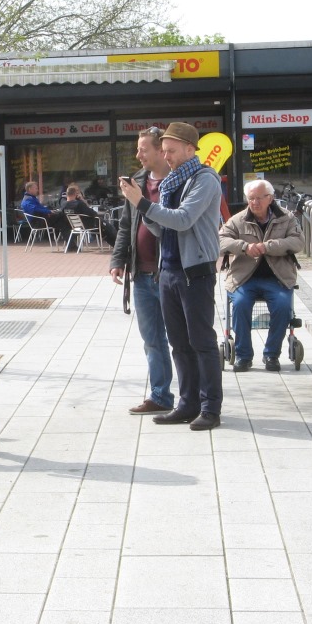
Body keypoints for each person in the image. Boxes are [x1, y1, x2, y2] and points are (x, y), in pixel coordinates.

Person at [118, 122, 223, 431]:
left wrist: (142, 203)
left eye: (172, 151)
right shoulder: (169, 183)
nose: (168, 157)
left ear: (191, 149)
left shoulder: (205, 180)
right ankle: (187, 403)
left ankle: (210, 408)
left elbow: (183, 219)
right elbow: (164, 229)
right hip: (169, 271)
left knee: (201, 341)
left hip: (195, 272)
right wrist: (145, 212)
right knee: (178, 343)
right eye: (164, 151)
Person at [109, 127, 175, 415]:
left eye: (143, 149)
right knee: (152, 340)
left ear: (161, 151)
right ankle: (160, 396)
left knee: (182, 339)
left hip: (171, 273)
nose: (137, 155)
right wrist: (117, 259)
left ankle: (193, 397)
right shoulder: (136, 181)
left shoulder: (179, 181)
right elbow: (127, 224)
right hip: (141, 275)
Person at [219, 179, 304, 372]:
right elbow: (220, 240)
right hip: (244, 278)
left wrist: (268, 247)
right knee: (240, 305)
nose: (254, 202)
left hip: (278, 277)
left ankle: (271, 355)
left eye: (259, 198)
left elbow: (298, 242)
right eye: (251, 199)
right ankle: (243, 356)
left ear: (270, 198)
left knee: (283, 307)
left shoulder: (287, 218)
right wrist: (244, 247)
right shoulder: (238, 220)